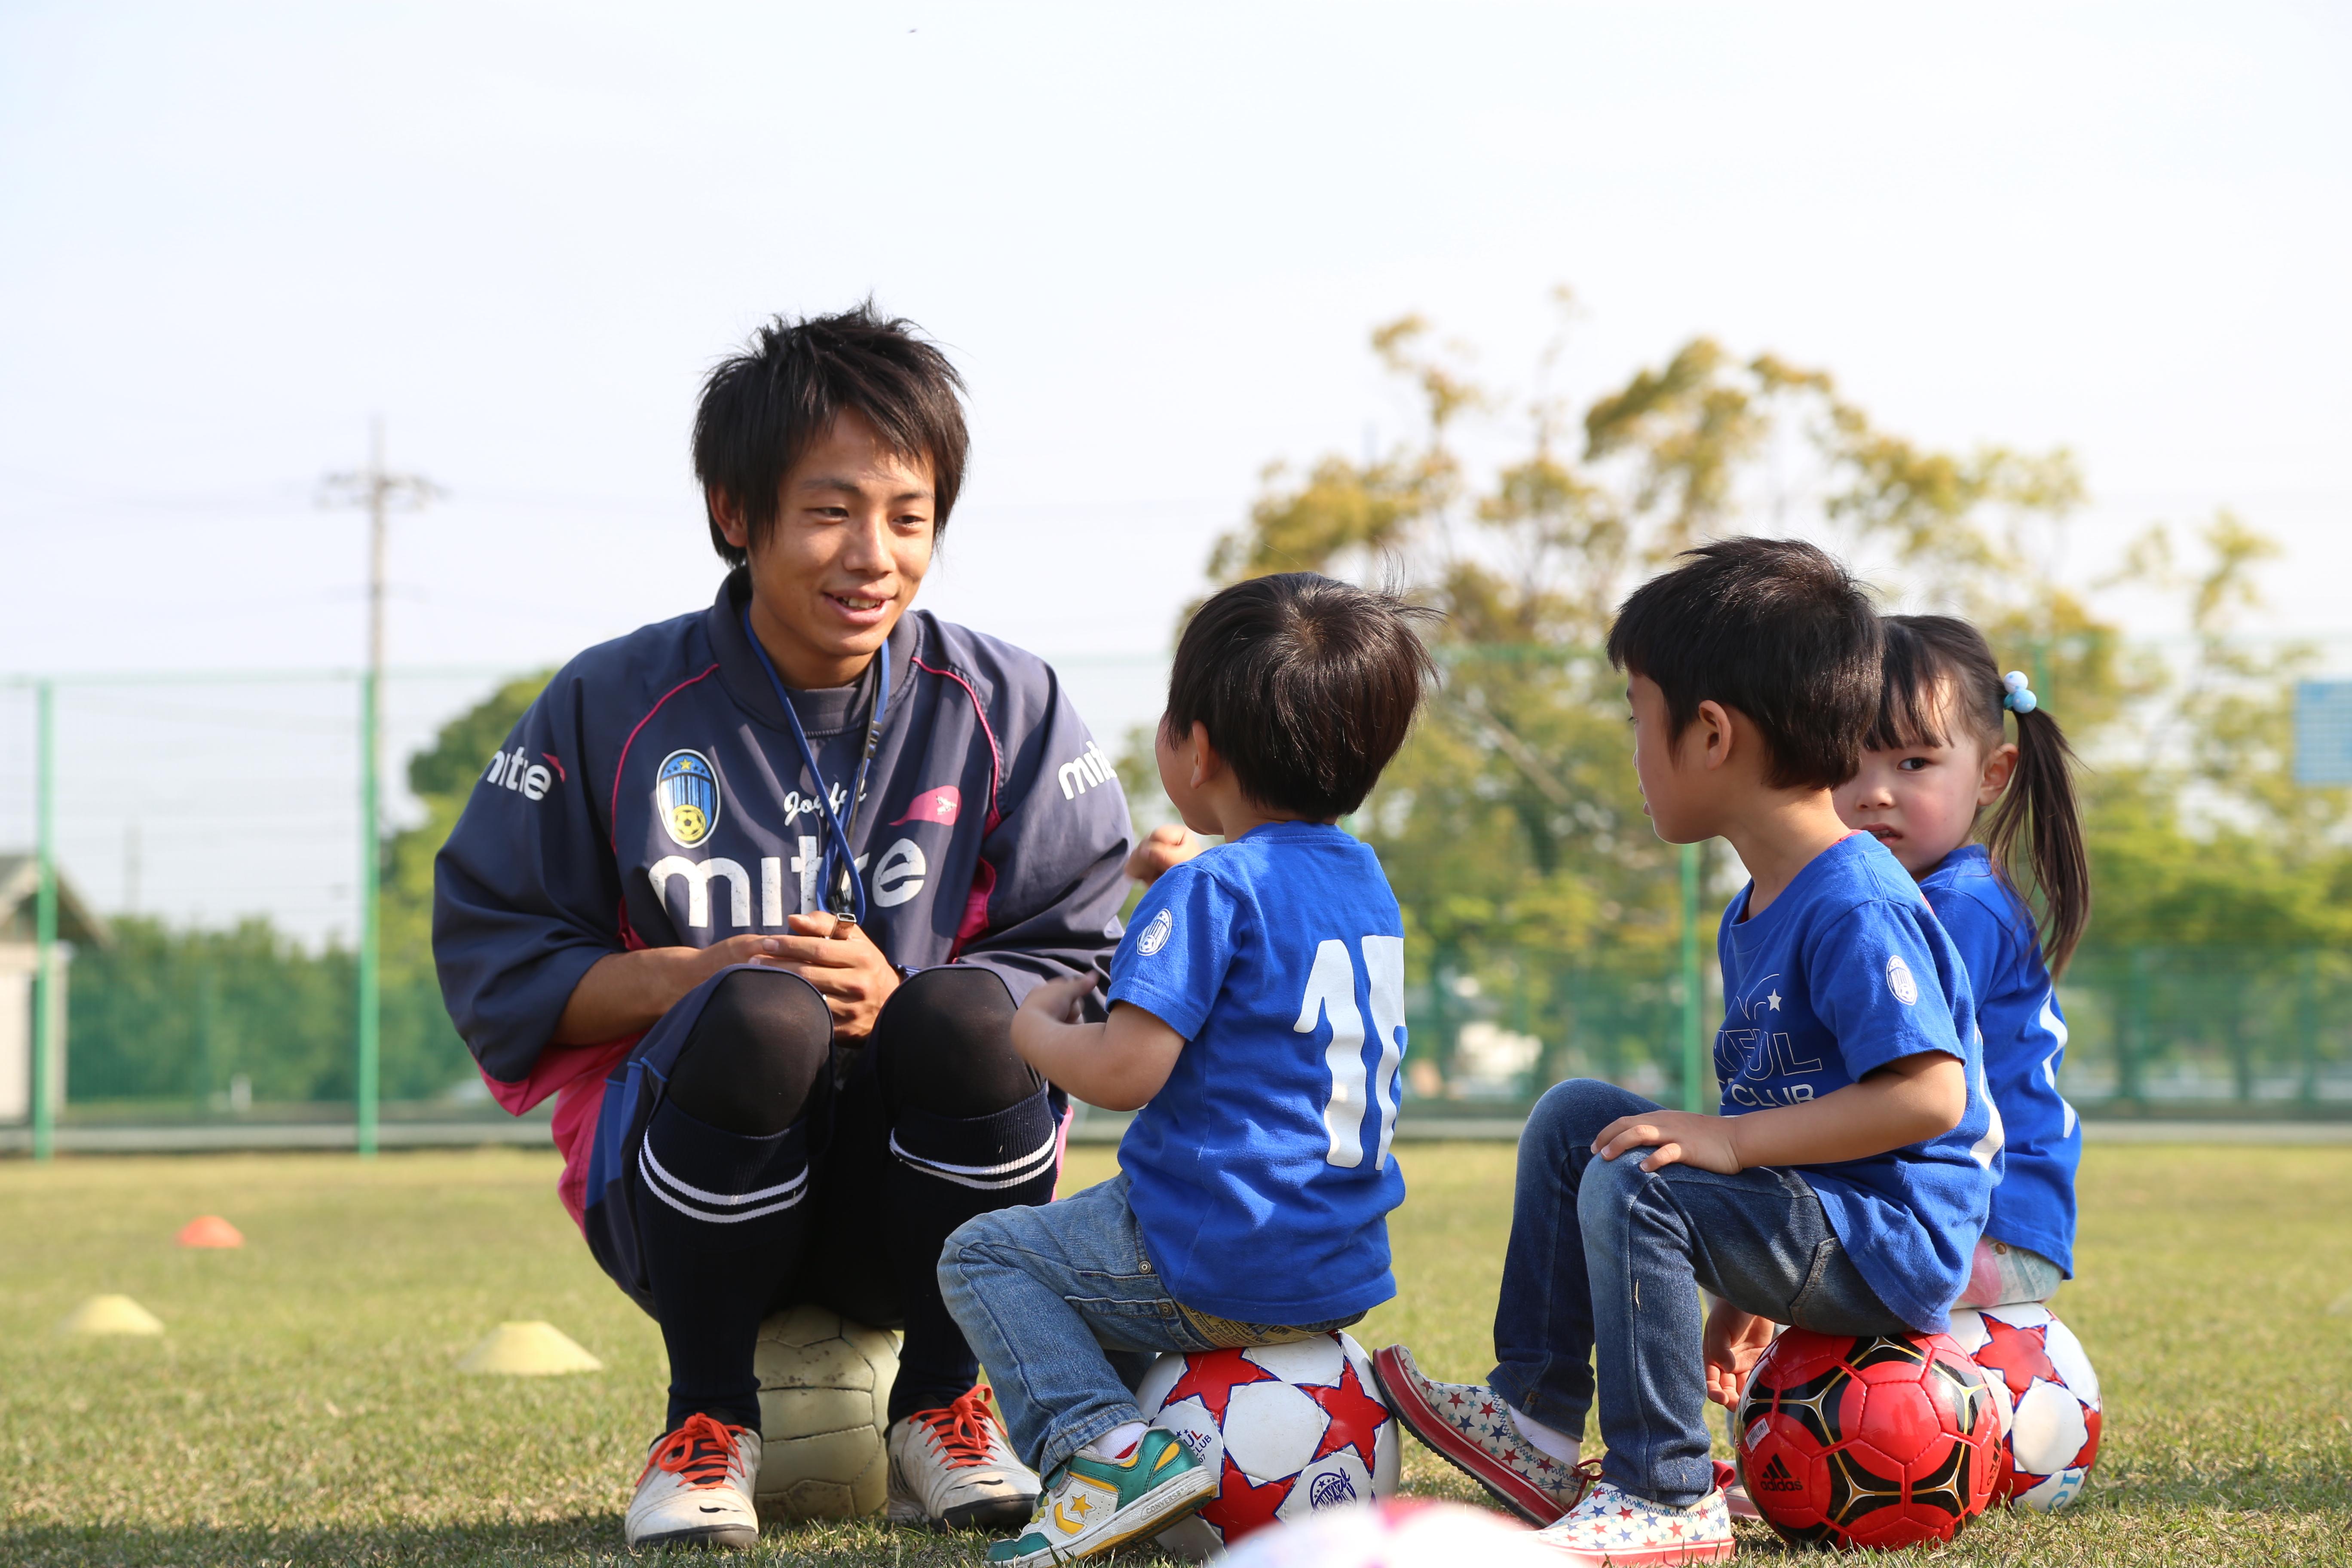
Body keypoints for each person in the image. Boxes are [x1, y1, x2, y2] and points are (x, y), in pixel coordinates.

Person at [432, 306, 1133, 1549]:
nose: (874, 555)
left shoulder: (1007, 703)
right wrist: (692, 979)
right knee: (757, 1012)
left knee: (973, 1011)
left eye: (909, 518)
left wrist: (905, 994)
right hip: (680, 1192)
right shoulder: (614, 702)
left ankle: (945, 1405)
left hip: (918, 1191)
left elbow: (1081, 954)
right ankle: (703, 1423)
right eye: (830, 512)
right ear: (735, 514)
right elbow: (497, 951)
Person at [1370, 538, 2001, 1567]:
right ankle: (1531, 1419)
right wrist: (1741, 1289)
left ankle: (1664, 1492)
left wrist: (1732, 1142)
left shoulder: (1854, 904)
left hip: (1886, 1243)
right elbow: (1794, 1116)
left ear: (1711, 735)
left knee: (1639, 1180)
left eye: (1636, 720)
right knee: (1582, 1120)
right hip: (1821, 1219)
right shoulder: (1758, 904)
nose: (1633, 750)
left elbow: (1929, 1099)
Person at [937, 572, 1438, 1568]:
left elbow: (1125, 1070)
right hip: (1333, 1263)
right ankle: (1139, 1471)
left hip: (1216, 1254)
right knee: (1082, 1254)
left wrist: (1032, 1030)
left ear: (1195, 745)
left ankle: (1109, 1457)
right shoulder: (1362, 879)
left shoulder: (1212, 887)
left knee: (988, 1254)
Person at [1836, 617, 2086, 1309]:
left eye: (1913, 763)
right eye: (1842, 763)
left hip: (1993, 1229)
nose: (1872, 792)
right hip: (1949, 1218)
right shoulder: (1874, 900)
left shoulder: (1960, 907)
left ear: (1991, 774)